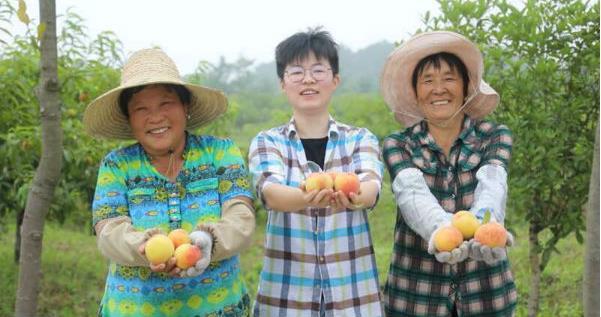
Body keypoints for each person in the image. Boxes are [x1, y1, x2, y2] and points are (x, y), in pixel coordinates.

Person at [84, 48, 255, 317]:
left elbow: (241, 216)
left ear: (185, 107)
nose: (156, 117)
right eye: (141, 109)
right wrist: (143, 246)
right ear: (129, 119)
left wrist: (207, 241)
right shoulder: (117, 165)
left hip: (221, 308)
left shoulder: (220, 152)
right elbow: (109, 231)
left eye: (166, 104)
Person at [248, 28, 385, 317]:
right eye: (296, 72)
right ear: (282, 83)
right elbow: (271, 193)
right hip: (285, 300)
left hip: (354, 299)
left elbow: (370, 188)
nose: (308, 79)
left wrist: (355, 196)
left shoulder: (361, 139)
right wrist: (314, 196)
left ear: (335, 80)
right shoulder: (267, 142)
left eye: (318, 70)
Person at [379, 31, 517, 316]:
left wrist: (484, 227)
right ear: (416, 94)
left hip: (486, 294)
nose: (438, 88)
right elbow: (411, 194)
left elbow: (493, 183)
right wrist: (442, 231)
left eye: (449, 78)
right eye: (427, 80)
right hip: (416, 296)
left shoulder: (493, 135)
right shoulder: (398, 144)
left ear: (467, 88)